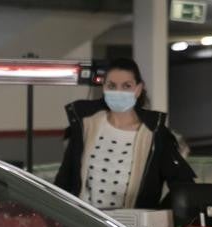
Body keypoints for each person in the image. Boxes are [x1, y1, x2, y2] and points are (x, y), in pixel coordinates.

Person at [55, 57, 195, 210]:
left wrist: (157, 217)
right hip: (85, 225)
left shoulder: (155, 134)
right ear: (103, 87)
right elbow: (64, 180)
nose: (118, 91)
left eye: (126, 86)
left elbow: (184, 186)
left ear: (138, 89)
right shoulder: (86, 125)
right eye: (112, 86)